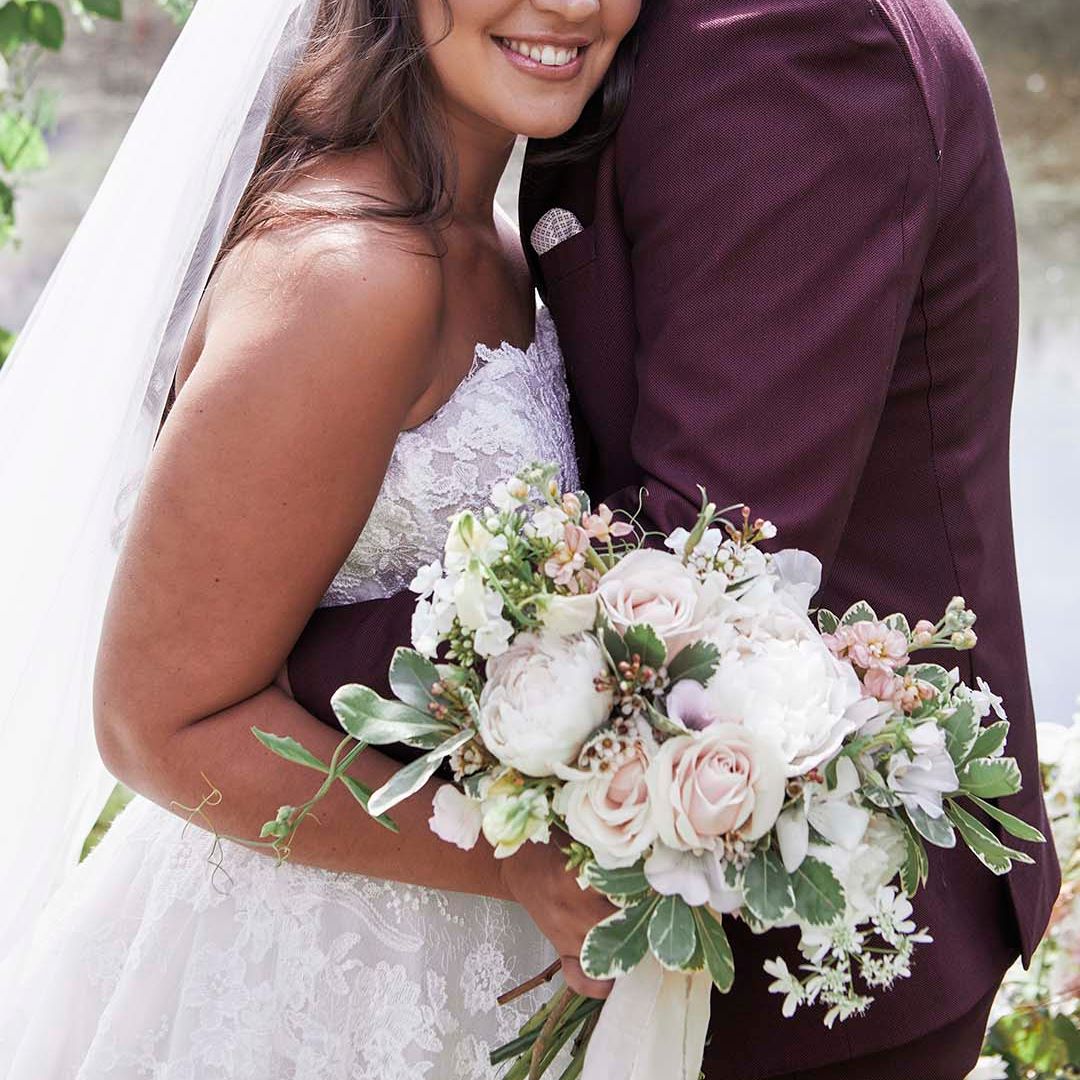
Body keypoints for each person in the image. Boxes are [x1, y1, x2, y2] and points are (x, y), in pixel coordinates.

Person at [287, 0, 1062, 1077]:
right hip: (629, 915)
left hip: (792, 954)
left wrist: (267, 654)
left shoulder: (782, 42)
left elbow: (706, 566)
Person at [0, 1, 640, 1076]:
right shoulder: (351, 272)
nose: (574, 5)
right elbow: (155, 722)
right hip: (297, 986)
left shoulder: (495, 240)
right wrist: (508, 860)